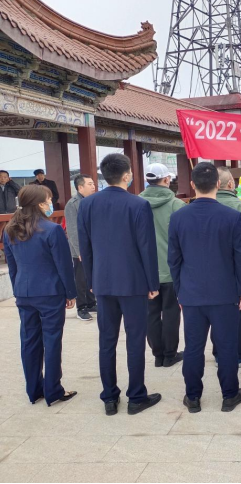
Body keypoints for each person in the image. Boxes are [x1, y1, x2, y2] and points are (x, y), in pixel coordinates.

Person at [78, 153, 162, 417]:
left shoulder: (87, 204)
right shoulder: (138, 204)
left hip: (103, 281)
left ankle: (109, 397)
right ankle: (136, 396)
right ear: (127, 175)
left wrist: (92, 280)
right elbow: (147, 247)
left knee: (107, 340)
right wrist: (152, 283)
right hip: (134, 282)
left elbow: (85, 248)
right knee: (135, 340)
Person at [168, 162, 241, 414]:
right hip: (225, 293)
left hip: (191, 293)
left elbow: (174, 259)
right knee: (226, 347)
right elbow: (240, 258)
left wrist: (180, 290)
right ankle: (229, 395)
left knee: (193, 347)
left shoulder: (178, 217)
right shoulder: (232, 216)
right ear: (218, 183)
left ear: (192, 184)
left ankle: (193, 397)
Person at [3, 185, 78, 407]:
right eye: (48, 199)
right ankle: (53, 390)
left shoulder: (10, 229)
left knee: (29, 341)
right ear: (39, 204)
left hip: (24, 293)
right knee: (52, 341)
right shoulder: (52, 230)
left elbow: (13, 266)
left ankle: (34, 390)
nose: (50, 203)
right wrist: (70, 293)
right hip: (50, 292)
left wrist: (18, 289)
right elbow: (64, 265)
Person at [140, 164, 186, 368]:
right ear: (166, 180)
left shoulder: (136, 203)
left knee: (150, 314)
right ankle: (170, 354)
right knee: (171, 313)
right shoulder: (177, 205)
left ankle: (157, 354)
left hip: (144, 271)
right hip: (171, 269)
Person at [215, 166, 241, 368]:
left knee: (213, 312)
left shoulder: (199, 206)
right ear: (231, 184)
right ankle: (239, 352)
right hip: (235, 269)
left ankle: (218, 351)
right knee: (237, 311)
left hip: (205, 271)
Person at [64, 174, 97, 322]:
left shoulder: (93, 201)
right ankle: (81, 307)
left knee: (91, 276)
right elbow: (72, 231)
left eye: (93, 183)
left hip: (94, 247)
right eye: (89, 184)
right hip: (80, 250)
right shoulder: (73, 204)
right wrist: (80, 251)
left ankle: (91, 303)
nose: (93, 186)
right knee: (81, 279)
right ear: (80, 187)